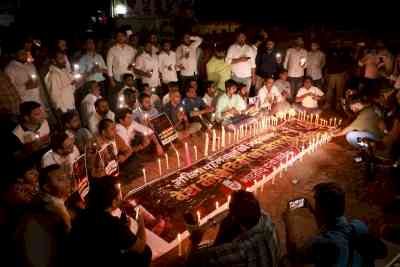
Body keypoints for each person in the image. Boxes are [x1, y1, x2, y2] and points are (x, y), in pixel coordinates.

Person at [283, 182, 383, 267]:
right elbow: (331, 226)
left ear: (322, 210)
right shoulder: (359, 226)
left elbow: (294, 256)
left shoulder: (322, 243)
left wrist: (287, 221)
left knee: (285, 262)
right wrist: (315, 211)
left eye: (316, 203)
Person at [69, 177, 151, 267]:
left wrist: (124, 230)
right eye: (119, 194)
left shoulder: (82, 214)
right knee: (146, 252)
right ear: (114, 202)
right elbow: (140, 247)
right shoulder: (113, 225)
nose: (121, 195)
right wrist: (141, 223)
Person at [186, 190, 281, 267]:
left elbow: (193, 262)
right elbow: (228, 213)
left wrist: (195, 241)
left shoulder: (239, 250)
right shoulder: (265, 218)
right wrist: (210, 223)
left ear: (235, 218)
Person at [15, 164, 71, 267]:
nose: (68, 182)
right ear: (47, 187)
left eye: (66, 177)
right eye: (60, 179)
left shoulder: (54, 201)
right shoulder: (48, 212)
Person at [325, 40, 350, 110]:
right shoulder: (330, 51)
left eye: (340, 43)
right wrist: (327, 73)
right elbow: (327, 62)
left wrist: (346, 73)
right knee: (329, 90)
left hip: (341, 73)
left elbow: (347, 62)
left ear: (342, 44)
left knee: (340, 90)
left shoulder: (345, 51)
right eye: (337, 43)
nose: (338, 44)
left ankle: (338, 104)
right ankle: (327, 103)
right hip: (332, 73)